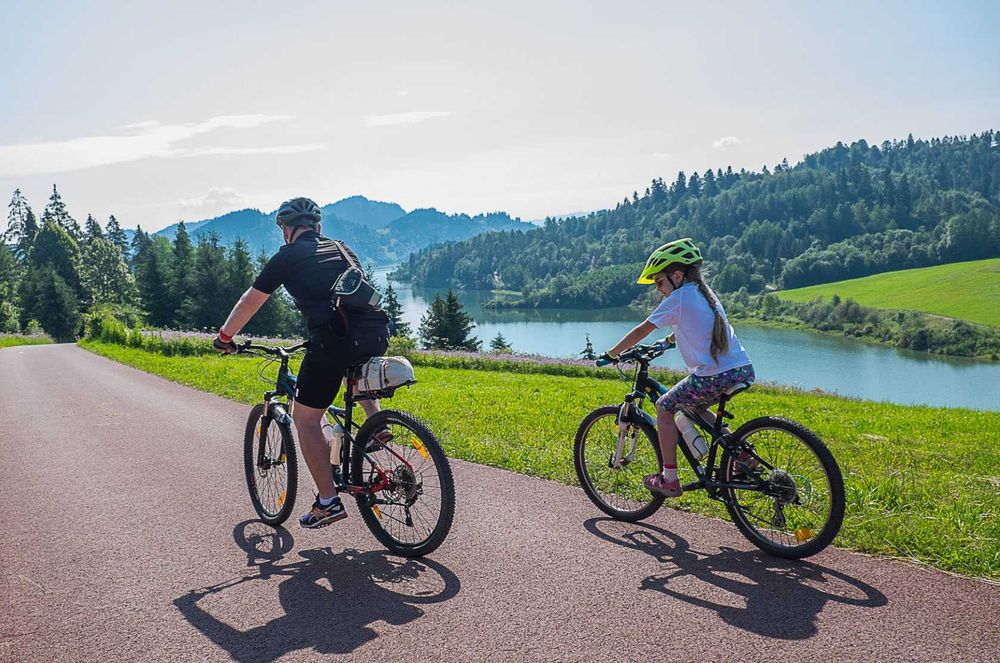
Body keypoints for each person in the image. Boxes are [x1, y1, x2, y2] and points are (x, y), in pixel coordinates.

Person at [213, 197, 390, 528]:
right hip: (376, 333)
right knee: (351, 370)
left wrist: (225, 337)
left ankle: (328, 501)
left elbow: (250, 301)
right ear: (318, 227)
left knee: (306, 419)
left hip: (333, 341)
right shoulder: (342, 248)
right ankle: (377, 426)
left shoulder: (288, 256)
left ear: (286, 230)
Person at [600, 238, 754, 497]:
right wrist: (668, 342)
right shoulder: (704, 293)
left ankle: (669, 478)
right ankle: (742, 455)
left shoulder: (678, 297)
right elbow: (696, 325)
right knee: (695, 407)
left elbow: (641, 330)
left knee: (664, 406)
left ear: (677, 276)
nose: (658, 289)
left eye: (659, 282)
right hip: (741, 368)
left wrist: (611, 354)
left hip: (713, 376)